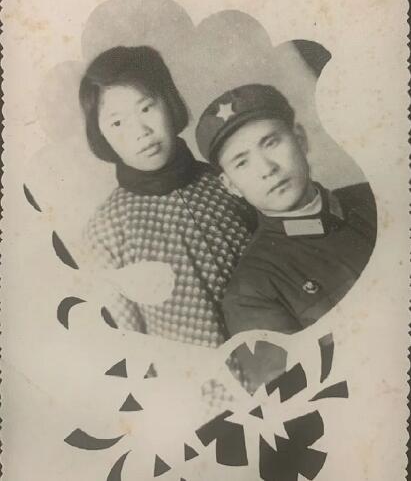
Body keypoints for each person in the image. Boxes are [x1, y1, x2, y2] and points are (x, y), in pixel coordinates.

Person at [79, 47, 256, 403]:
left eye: (146, 108)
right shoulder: (106, 231)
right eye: (117, 123)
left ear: (170, 104)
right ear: (101, 135)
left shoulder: (228, 180)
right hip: (207, 404)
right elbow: (128, 349)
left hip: (283, 364)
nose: (141, 132)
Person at [196, 83, 377, 391]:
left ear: (301, 139)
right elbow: (303, 402)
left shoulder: (376, 198)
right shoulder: (252, 294)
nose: (267, 169)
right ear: (230, 185)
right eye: (242, 162)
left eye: (271, 143)